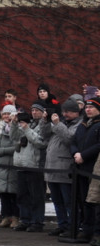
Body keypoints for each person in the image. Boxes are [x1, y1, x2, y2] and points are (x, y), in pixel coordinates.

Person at [45, 100, 82, 237]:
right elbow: (44, 135)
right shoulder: (61, 123)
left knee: (68, 201)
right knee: (57, 200)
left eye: (68, 112)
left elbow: (69, 139)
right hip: (52, 167)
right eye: (64, 111)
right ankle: (62, 225)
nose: (64, 114)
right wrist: (45, 121)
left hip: (65, 167)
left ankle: (73, 227)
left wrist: (57, 124)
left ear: (76, 112)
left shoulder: (78, 124)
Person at [12, 103, 49, 232]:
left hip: (35, 165)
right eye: (32, 110)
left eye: (37, 110)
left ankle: (37, 221)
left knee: (36, 196)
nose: (34, 113)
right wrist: (14, 123)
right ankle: (25, 219)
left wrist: (27, 129)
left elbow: (40, 142)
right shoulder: (28, 124)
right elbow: (14, 137)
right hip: (22, 164)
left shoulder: (44, 126)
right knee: (22, 195)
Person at [72, 97, 100, 244]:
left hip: (93, 167)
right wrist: (76, 153)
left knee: (94, 202)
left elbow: (98, 145)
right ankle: (86, 230)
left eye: (91, 107)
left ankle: (96, 232)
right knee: (83, 200)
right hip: (80, 167)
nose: (88, 109)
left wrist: (84, 155)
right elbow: (74, 141)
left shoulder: (98, 125)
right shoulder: (83, 124)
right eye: (87, 107)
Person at [0, 104, 21, 228]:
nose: (7, 116)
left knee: (14, 194)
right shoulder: (2, 131)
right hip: (2, 167)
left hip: (13, 166)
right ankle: (5, 217)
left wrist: (3, 150)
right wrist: (6, 150)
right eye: (5, 114)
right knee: (4, 194)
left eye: (9, 114)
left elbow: (17, 147)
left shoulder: (18, 130)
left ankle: (15, 218)